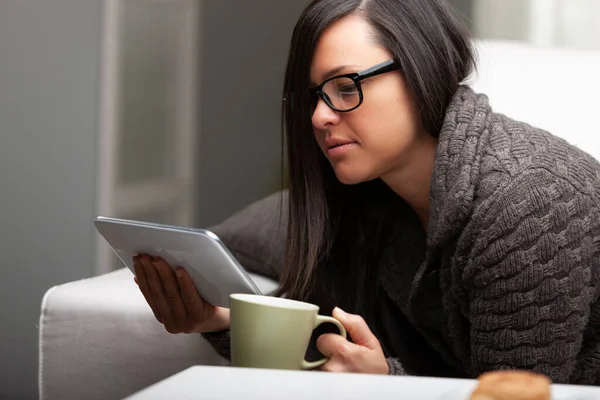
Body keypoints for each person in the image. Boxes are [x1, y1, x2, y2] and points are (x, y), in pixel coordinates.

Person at [132, 0, 600, 385]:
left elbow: (508, 394)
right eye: (315, 94)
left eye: (344, 85)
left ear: (422, 71)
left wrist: (385, 382)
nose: (319, 117)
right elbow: (249, 249)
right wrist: (220, 319)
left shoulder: (530, 203)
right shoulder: (363, 199)